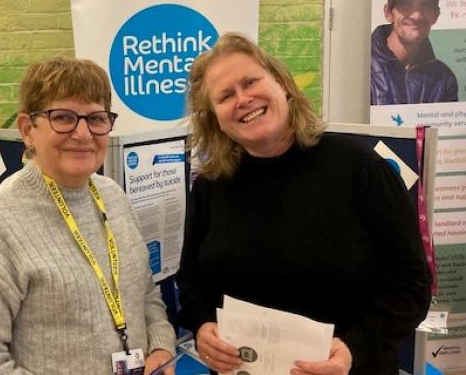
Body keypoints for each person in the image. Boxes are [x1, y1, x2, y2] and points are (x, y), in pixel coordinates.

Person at [176, 32, 432, 375]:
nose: (243, 99)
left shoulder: (361, 170)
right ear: (215, 118)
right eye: (225, 96)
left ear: (282, 83)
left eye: (251, 81)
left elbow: (412, 284)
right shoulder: (211, 185)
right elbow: (192, 280)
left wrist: (354, 347)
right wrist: (203, 326)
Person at [0, 57, 176, 374]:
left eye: (96, 118)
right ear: (28, 129)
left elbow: (146, 294)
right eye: (64, 118)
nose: (84, 134)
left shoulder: (114, 197)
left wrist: (161, 346)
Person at [371, 0, 458, 105]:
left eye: (425, 6)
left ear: (436, 15)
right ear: (388, 13)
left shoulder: (445, 79)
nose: (416, 15)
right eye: (405, 4)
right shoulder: (359, 68)